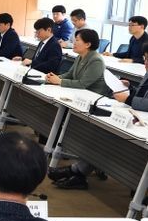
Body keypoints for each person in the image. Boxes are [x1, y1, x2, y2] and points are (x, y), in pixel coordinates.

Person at [50, 41, 148, 190]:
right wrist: (131, 88)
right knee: (102, 132)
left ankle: (77, 171)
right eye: (145, 58)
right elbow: (142, 95)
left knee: (109, 137)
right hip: (135, 117)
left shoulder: (95, 59)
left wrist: (128, 99)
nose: (145, 63)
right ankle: (78, 172)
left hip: (142, 125)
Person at [45, 28, 111, 95]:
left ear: (88, 44)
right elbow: (70, 74)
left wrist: (59, 81)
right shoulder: (80, 56)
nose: (74, 43)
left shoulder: (96, 61)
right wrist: (54, 77)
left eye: (77, 40)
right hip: (79, 92)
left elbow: (82, 84)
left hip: (92, 95)